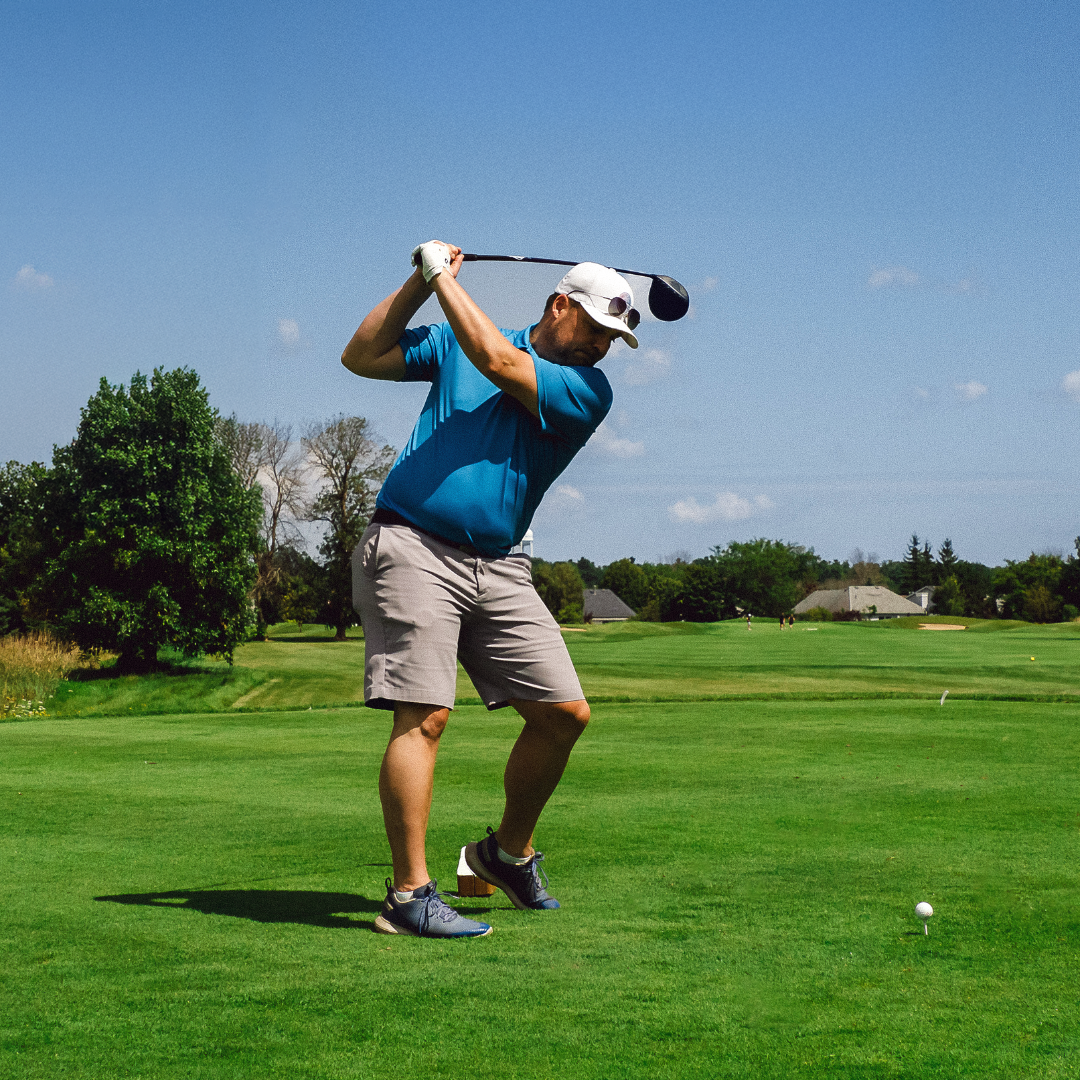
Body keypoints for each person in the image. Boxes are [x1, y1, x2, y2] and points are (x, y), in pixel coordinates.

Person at [340, 241, 640, 938]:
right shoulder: (457, 342)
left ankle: (504, 855)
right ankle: (409, 895)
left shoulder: (586, 390)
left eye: (612, 339)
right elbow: (361, 356)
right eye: (594, 328)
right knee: (425, 714)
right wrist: (420, 282)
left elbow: (500, 363)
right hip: (413, 545)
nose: (600, 346)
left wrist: (444, 275)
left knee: (564, 714)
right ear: (559, 304)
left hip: (500, 567)